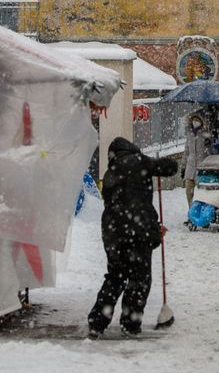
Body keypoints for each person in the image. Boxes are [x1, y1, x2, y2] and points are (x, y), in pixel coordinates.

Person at [87, 137, 178, 338]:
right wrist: (152, 228)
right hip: (137, 232)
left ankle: (97, 322)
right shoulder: (139, 161)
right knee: (139, 278)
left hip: (113, 232)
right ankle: (130, 323)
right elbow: (171, 167)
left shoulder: (110, 173)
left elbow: (123, 204)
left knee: (115, 277)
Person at [181, 112, 212, 221]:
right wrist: (183, 167)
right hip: (190, 169)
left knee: (202, 195)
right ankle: (192, 215)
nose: (195, 122)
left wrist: (209, 144)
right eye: (193, 120)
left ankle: (203, 216)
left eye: (197, 120)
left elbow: (210, 152)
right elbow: (186, 152)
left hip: (202, 168)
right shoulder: (189, 134)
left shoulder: (205, 134)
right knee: (189, 193)